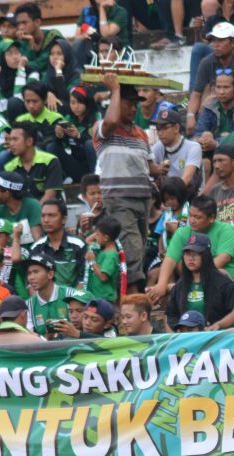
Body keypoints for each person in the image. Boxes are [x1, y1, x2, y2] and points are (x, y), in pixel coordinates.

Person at [94, 74, 154, 293]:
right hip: (119, 197)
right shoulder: (103, 129)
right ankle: (132, 297)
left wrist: (160, 170)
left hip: (143, 197)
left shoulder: (141, 134)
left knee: (139, 248)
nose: (133, 109)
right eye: (128, 104)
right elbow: (110, 121)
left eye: (135, 105)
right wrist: (115, 90)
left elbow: (150, 166)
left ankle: (131, 295)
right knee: (132, 247)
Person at [151, 194, 234, 301]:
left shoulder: (225, 229)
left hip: (225, 284)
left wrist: (192, 280)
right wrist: (161, 285)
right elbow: (170, 259)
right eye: (190, 215)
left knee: (220, 272)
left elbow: (223, 258)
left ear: (212, 218)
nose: (192, 220)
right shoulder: (183, 232)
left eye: (197, 217)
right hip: (192, 283)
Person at [166, 233, 234, 328]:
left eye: (196, 254)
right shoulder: (180, 285)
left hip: (216, 337)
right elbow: (172, 314)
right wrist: (179, 329)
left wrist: (217, 327)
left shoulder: (224, 284)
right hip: (187, 338)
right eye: (187, 254)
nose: (190, 258)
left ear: (206, 256)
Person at [23, 252, 82, 339]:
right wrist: (47, 337)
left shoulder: (71, 295)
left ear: (50, 274)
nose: (31, 277)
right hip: (47, 351)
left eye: (36, 272)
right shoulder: (28, 305)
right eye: (29, 273)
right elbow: (30, 340)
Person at [3, 122, 64, 202]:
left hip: (46, 210)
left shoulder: (50, 161)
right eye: (10, 140)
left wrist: (33, 212)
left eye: (15, 139)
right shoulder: (9, 168)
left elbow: (50, 195)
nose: (11, 144)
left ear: (29, 141)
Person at [0, 171, 43, 254]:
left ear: (7, 193)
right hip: (4, 256)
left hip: (29, 254)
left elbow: (37, 237)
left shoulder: (32, 205)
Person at [152, 108, 203, 194]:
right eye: (158, 128)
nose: (160, 133)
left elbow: (186, 180)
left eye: (164, 128)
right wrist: (157, 170)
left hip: (191, 196)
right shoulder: (157, 147)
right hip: (167, 198)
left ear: (176, 128)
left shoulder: (193, 147)